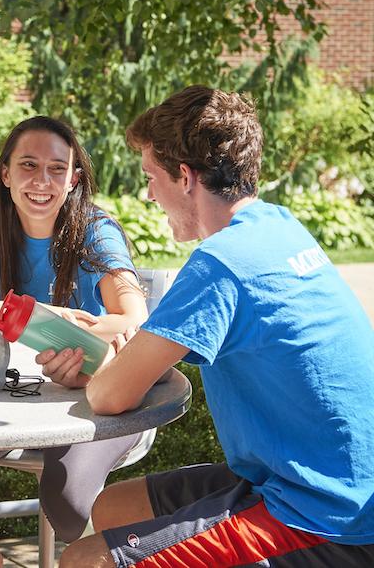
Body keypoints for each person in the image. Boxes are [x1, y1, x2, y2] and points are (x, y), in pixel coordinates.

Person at [60, 86, 374, 567]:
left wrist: (102, 372)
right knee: (114, 508)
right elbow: (149, 365)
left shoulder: (220, 264)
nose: (148, 193)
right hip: (309, 480)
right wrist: (113, 369)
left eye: (150, 177)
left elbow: (108, 397)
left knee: (86, 560)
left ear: (185, 177)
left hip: (326, 517)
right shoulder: (278, 225)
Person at [0, 116, 149, 568]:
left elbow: (133, 319)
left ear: (74, 179)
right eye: (28, 165)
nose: (41, 180)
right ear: (6, 174)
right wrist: (20, 311)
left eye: (56, 168)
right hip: (22, 391)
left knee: (68, 501)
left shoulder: (97, 229)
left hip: (101, 392)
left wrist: (78, 337)